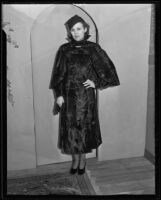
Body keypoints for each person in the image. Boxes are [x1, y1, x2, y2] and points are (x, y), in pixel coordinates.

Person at [49, 15, 120, 175]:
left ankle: (82, 161)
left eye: (79, 29)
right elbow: (58, 74)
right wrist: (58, 95)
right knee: (70, 131)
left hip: (86, 98)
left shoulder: (93, 48)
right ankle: (75, 160)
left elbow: (109, 72)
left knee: (83, 130)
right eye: (73, 30)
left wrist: (97, 83)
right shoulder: (64, 49)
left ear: (85, 29)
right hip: (68, 97)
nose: (75, 32)